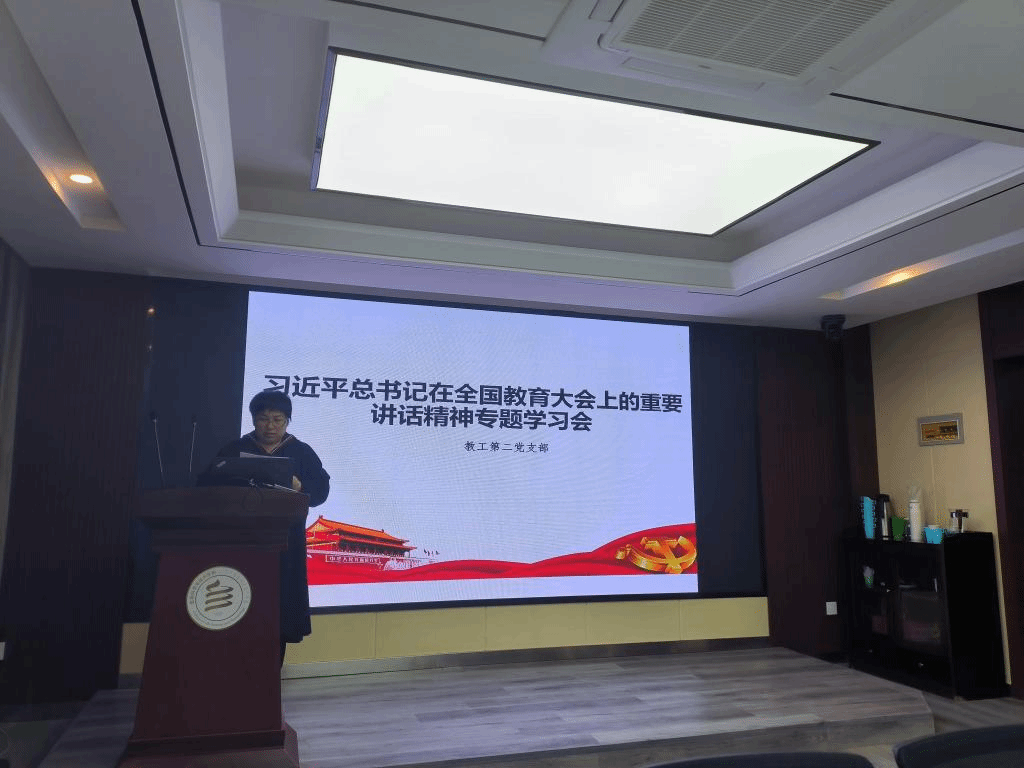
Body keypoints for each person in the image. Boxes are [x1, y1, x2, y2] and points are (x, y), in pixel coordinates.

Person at [214, 390, 330, 665]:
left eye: (278, 419)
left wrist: (301, 487)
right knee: (240, 604)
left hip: (285, 544)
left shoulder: (301, 451)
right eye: (263, 419)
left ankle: (270, 674)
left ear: (287, 421)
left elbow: (321, 491)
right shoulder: (235, 449)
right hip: (241, 543)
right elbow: (209, 483)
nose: (270, 426)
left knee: (279, 610)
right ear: (253, 419)